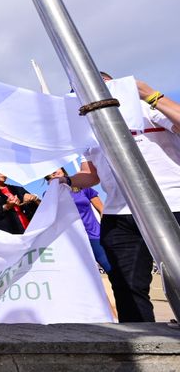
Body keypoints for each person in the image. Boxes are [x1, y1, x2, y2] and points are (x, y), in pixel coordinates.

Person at [58, 74, 180, 322]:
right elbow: (91, 175)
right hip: (120, 216)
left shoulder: (146, 108)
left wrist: (150, 95)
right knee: (127, 286)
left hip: (170, 205)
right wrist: (66, 181)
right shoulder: (87, 129)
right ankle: (143, 338)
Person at [45, 168, 111, 273]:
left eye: (55, 168)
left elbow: (102, 209)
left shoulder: (83, 186)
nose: (53, 172)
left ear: (62, 169)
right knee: (81, 273)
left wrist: (107, 229)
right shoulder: (48, 195)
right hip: (73, 240)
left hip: (94, 235)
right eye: (49, 171)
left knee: (110, 267)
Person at [0, 167, 40, 234]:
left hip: (28, 231)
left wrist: (34, 198)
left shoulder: (18, 189)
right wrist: (6, 206)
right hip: (5, 235)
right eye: (1, 170)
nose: (4, 173)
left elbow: (41, 208)